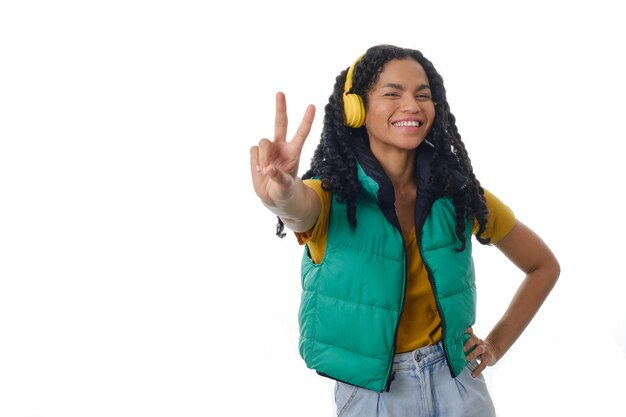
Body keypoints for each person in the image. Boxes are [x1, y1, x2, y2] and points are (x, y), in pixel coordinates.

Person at [249, 44, 560, 417]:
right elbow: (298, 209)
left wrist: (495, 345)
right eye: (392, 93)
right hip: (375, 396)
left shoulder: (458, 193)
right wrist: (281, 192)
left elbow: (543, 266)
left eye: (422, 95)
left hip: (458, 383)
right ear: (356, 109)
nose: (411, 105)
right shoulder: (331, 194)